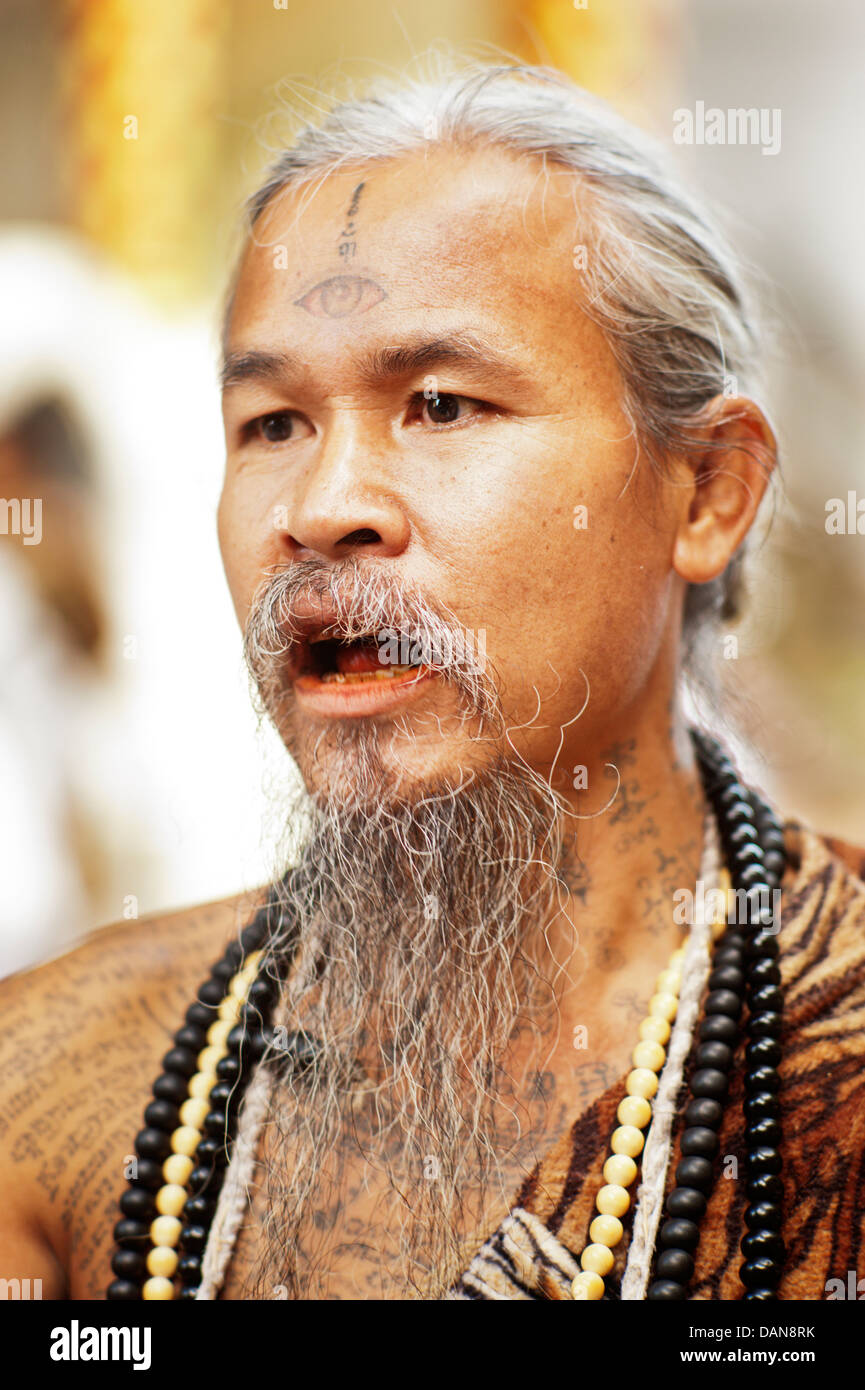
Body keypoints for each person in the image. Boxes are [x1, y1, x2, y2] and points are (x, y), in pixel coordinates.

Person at [1, 61, 863, 1304]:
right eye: (273, 424)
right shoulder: (61, 1082)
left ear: (708, 490)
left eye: (441, 405)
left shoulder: (823, 1051)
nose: (322, 508)